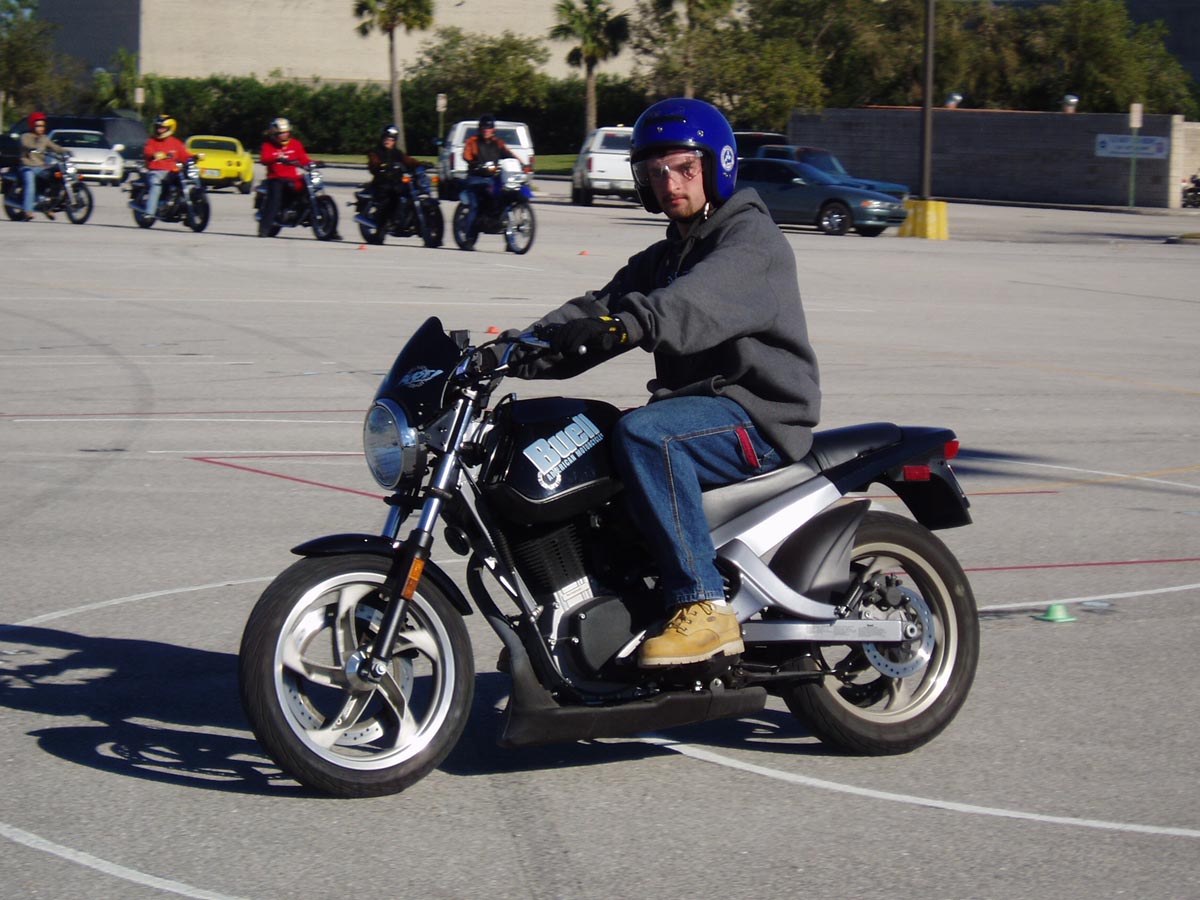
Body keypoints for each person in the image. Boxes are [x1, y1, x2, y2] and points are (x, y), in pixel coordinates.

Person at [503, 98, 821, 668]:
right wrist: (512, 351)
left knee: (647, 435)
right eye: (655, 172)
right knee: (591, 438)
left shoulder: (750, 242)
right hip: (698, 410)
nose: (669, 183)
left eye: (683, 168)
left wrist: (628, 326)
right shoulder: (666, 255)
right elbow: (598, 307)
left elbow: (691, 304)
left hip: (758, 414)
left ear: (717, 165)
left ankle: (703, 606)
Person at [460, 113, 517, 236]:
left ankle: (500, 223)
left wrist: (522, 165)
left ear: (493, 129)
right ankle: (469, 236)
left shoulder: (498, 143)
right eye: (484, 127)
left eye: (489, 127)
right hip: (476, 178)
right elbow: (466, 155)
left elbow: (509, 154)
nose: (486, 130)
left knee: (507, 194)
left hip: (492, 178)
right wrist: (474, 163)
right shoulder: (473, 141)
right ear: (480, 129)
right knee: (475, 206)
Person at [258, 116, 312, 237]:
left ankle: (329, 229)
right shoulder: (268, 145)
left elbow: (304, 159)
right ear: (274, 134)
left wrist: (314, 163)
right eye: (281, 133)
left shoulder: (295, 144)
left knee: (310, 188)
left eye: (286, 132)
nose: (284, 135)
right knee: (275, 199)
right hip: (276, 178)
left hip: (293, 178)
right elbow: (264, 159)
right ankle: (264, 228)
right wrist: (276, 158)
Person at [134, 114, 191, 218]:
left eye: (163, 128)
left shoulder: (175, 142)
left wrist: (195, 157)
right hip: (156, 171)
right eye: (158, 127)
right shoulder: (152, 141)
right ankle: (149, 212)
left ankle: (185, 210)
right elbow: (147, 151)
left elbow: (184, 155)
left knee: (185, 184)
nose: (160, 130)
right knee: (156, 185)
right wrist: (154, 154)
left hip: (172, 172)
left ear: (170, 128)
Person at [366, 124, 422, 226]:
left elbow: (408, 160)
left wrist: (420, 164)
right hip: (382, 182)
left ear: (394, 141)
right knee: (390, 197)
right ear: (382, 138)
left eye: (391, 139)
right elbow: (373, 163)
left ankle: (407, 216)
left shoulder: (397, 153)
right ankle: (382, 222)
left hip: (396, 182)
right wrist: (380, 166)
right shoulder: (376, 152)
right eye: (386, 138)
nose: (388, 141)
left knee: (410, 191)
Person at [17, 112, 66, 221]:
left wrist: (66, 151)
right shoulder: (25, 136)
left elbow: (55, 147)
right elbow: (26, 145)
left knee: (53, 180)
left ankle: (48, 207)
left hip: (40, 167)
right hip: (27, 166)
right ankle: (27, 211)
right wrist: (35, 146)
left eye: (42, 125)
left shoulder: (44, 138)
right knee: (30, 184)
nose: (41, 128)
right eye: (38, 125)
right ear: (32, 125)